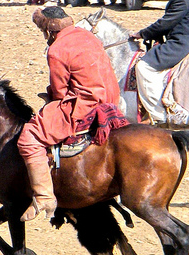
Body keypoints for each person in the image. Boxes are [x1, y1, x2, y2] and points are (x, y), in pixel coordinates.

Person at [17, 6, 120, 221]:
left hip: (83, 104)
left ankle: (44, 196)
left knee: (29, 138)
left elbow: (60, 91)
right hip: (110, 98)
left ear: (48, 30)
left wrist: (50, 99)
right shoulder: (87, 36)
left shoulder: (56, 50)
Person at [129, 0, 189, 123]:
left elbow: (166, 23)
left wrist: (141, 34)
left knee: (143, 67)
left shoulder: (182, 1)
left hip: (182, 43)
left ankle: (158, 114)